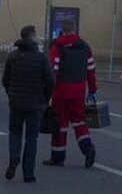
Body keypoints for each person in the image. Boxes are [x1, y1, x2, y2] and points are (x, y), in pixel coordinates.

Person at [2, 25, 54, 183]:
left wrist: (11, 94)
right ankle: (28, 174)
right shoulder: (41, 58)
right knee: (32, 138)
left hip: (16, 103)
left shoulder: (12, 56)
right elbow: (50, 81)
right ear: (32, 37)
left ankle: (14, 158)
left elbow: (5, 80)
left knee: (15, 133)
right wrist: (45, 99)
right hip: (35, 104)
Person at [44, 19, 97, 169]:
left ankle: (58, 157)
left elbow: (52, 70)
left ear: (62, 30)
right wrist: (92, 89)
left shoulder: (58, 46)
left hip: (61, 91)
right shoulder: (85, 47)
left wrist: (48, 92)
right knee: (80, 122)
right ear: (75, 29)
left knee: (60, 124)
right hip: (79, 91)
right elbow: (91, 70)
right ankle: (88, 149)